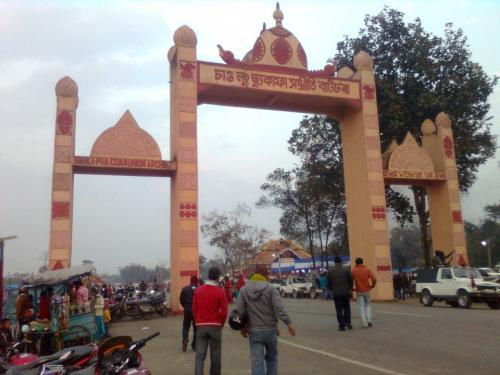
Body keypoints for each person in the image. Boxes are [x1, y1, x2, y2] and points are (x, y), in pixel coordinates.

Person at [236, 264, 295, 375]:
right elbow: (279, 309)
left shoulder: (244, 290)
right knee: (272, 359)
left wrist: (242, 328)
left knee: (257, 361)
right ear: (265, 276)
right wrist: (289, 323)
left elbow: (239, 311)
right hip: (270, 330)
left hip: (254, 331)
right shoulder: (271, 289)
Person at [193, 267, 228, 375]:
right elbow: (224, 312)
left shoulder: (198, 290)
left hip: (201, 326)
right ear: (218, 278)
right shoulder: (220, 292)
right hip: (215, 326)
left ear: (208, 276)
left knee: (200, 356)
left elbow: (194, 309)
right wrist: (220, 324)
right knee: (215, 355)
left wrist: (197, 321)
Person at [327, 256, 353, 331]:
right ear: (341, 261)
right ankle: (348, 323)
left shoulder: (330, 271)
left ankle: (341, 326)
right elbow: (351, 280)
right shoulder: (346, 270)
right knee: (347, 308)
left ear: (334, 262)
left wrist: (332, 289)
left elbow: (328, 283)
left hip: (336, 293)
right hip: (345, 293)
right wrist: (350, 288)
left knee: (339, 309)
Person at [352, 258, 377, 328]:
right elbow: (374, 278)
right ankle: (369, 320)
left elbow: (350, 280)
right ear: (362, 262)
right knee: (368, 305)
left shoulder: (354, 271)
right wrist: (372, 285)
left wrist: (352, 288)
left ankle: (364, 323)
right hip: (367, 290)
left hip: (359, 291)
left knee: (361, 307)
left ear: (356, 263)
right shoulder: (367, 270)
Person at [180, 275, 199, 352]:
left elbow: (181, 299)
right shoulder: (199, 289)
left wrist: (185, 306)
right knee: (196, 328)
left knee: (185, 327)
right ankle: (195, 345)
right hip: (196, 311)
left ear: (191, 281)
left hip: (187, 309)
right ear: (196, 281)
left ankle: (185, 339)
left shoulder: (185, 289)